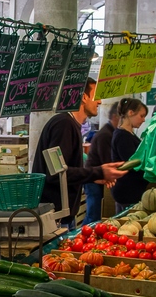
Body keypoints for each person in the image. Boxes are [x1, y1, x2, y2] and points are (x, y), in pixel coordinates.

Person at [31, 78, 126, 228]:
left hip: (62, 216)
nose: (100, 102)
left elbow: (64, 170)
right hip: (55, 219)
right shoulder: (64, 125)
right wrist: (98, 172)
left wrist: (92, 177)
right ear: (83, 97)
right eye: (97, 95)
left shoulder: (70, 124)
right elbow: (56, 174)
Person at [111, 98, 149, 214]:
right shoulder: (122, 136)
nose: (143, 120)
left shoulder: (129, 134)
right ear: (130, 113)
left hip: (133, 191)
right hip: (127, 192)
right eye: (141, 116)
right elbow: (133, 164)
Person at [84, 103, 120, 224]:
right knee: (93, 215)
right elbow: (107, 160)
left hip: (98, 177)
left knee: (95, 215)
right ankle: (82, 236)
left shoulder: (111, 132)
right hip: (93, 179)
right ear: (115, 117)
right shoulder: (106, 134)